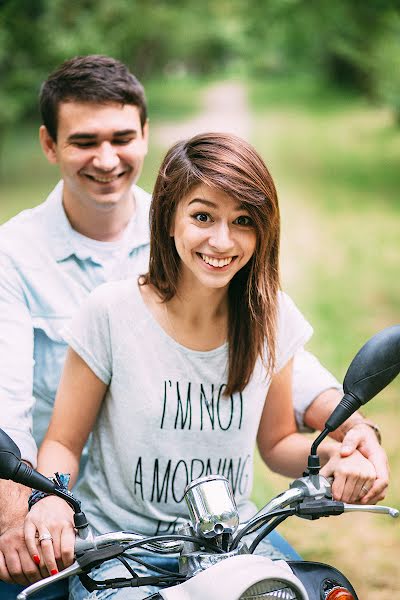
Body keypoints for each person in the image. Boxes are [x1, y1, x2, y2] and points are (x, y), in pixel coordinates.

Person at [0, 56, 388, 597]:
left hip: (234, 542)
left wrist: (341, 446)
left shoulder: (268, 316)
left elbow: (277, 442)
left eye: (243, 221)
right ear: (168, 220)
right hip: (121, 551)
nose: (222, 241)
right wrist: (49, 501)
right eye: (203, 217)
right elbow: (59, 440)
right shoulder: (104, 308)